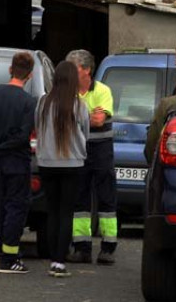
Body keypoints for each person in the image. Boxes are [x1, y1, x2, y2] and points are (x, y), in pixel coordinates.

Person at [0, 52, 37, 274]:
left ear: (10, 69)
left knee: (0, 208)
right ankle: (10, 257)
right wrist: (0, 148)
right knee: (16, 208)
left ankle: (5, 253)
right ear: (29, 75)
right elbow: (22, 137)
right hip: (17, 164)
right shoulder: (28, 102)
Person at [35, 61, 89, 278]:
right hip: (72, 164)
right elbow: (85, 132)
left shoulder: (42, 103)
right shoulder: (79, 105)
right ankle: (59, 261)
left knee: (52, 212)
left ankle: (52, 260)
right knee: (66, 213)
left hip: (47, 163)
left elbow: (37, 127)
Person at [66, 49, 117, 265]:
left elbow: (98, 121)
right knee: (79, 200)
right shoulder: (67, 92)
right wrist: (87, 115)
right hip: (78, 150)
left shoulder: (103, 90)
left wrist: (77, 116)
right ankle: (82, 248)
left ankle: (107, 248)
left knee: (106, 198)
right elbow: (71, 118)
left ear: (86, 70)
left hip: (101, 150)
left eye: (73, 69)